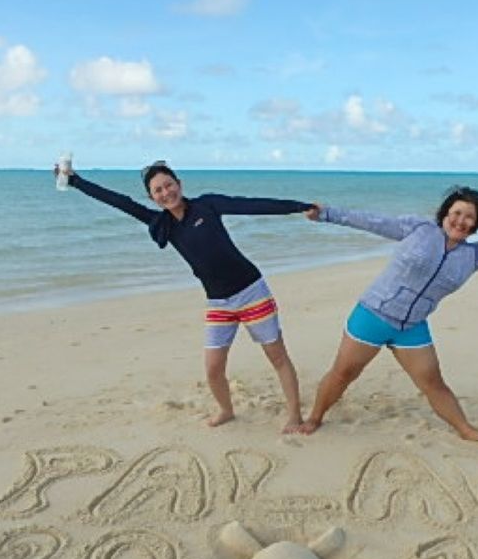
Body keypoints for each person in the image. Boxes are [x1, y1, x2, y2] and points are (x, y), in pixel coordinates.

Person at [299, 187, 478, 441]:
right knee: (344, 373)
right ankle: (314, 418)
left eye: (469, 217)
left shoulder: (474, 256)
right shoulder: (419, 229)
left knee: (433, 383)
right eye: (457, 213)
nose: (461, 221)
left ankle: (465, 429)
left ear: (476, 224)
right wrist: (326, 214)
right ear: (445, 213)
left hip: (411, 326)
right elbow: (372, 221)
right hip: (373, 314)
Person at [58, 160, 314, 433]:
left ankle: (294, 415)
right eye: (158, 190)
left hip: (251, 292)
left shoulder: (207, 205)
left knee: (277, 357)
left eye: (168, 185)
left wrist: (299, 206)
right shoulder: (163, 224)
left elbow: (251, 205)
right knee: (213, 368)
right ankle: (226, 410)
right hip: (219, 303)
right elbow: (119, 201)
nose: (166, 192)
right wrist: (75, 181)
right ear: (152, 198)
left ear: (179, 184)